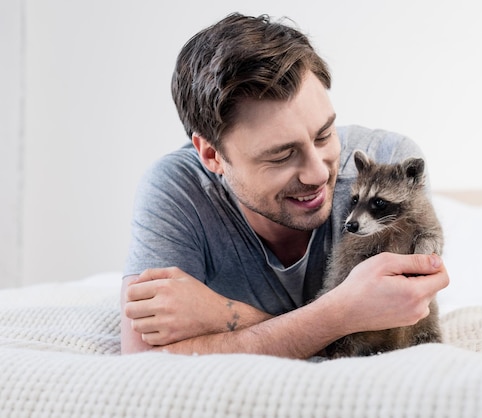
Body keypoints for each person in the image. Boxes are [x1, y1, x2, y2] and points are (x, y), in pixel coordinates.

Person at [121, 12, 449, 358]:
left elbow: (394, 333)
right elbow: (143, 361)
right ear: (212, 155)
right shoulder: (176, 190)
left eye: (324, 135)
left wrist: (224, 315)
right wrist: (341, 317)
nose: (317, 174)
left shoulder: (388, 166)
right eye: (281, 155)